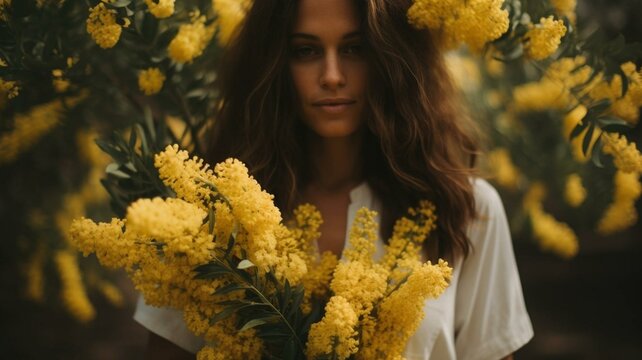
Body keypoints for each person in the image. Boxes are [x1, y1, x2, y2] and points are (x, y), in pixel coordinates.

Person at [134, 0, 534, 358]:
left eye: (354, 49)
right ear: (275, 62)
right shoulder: (208, 216)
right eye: (306, 51)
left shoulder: (468, 210)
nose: (331, 75)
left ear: (393, 57)